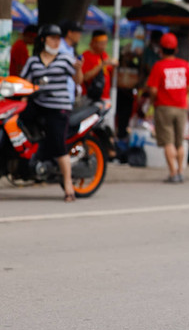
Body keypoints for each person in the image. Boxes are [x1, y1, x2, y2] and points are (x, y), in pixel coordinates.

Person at [19, 24, 83, 202]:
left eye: (58, 38)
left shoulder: (65, 59)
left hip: (59, 107)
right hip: (39, 103)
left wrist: (79, 69)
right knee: (17, 119)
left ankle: (68, 186)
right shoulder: (33, 61)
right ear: (43, 40)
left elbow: (78, 81)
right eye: (52, 38)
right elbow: (24, 82)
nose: (56, 41)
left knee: (58, 141)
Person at [146, 33, 189, 183]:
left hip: (164, 107)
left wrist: (154, 101)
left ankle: (173, 173)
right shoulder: (185, 65)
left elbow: (153, 90)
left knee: (168, 141)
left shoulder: (158, 66)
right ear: (176, 49)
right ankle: (181, 171)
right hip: (181, 107)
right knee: (179, 141)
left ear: (161, 49)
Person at [81, 29, 116, 101]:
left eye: (106, 43)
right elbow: (85, 78)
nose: (104, 46)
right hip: (90, 97)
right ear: (93, 42)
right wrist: (102, 65)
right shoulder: (85, 56)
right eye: (102, 43)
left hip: (105, 97)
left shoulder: (104, 55)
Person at [59, 20, 83, 106]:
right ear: (70, 33)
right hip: (59, 98)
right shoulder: (59, 47)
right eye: (78, 32)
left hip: (68, 95)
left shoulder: (70, 49)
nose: (80, 35)